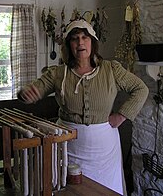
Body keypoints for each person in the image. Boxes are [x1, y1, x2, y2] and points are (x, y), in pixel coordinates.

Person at [17, 19, 149, 195]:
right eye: (75, 38)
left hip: (104, 149)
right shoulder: (58, 73)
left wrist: (122, 115)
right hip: (68, 145)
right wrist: (26, 93)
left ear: (92, 42)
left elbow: (141, 89)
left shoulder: (111, 70)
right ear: (68, 45)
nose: (80, 42)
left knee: (105, 189)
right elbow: (36, 89)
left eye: (85, 37)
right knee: (69, 188)